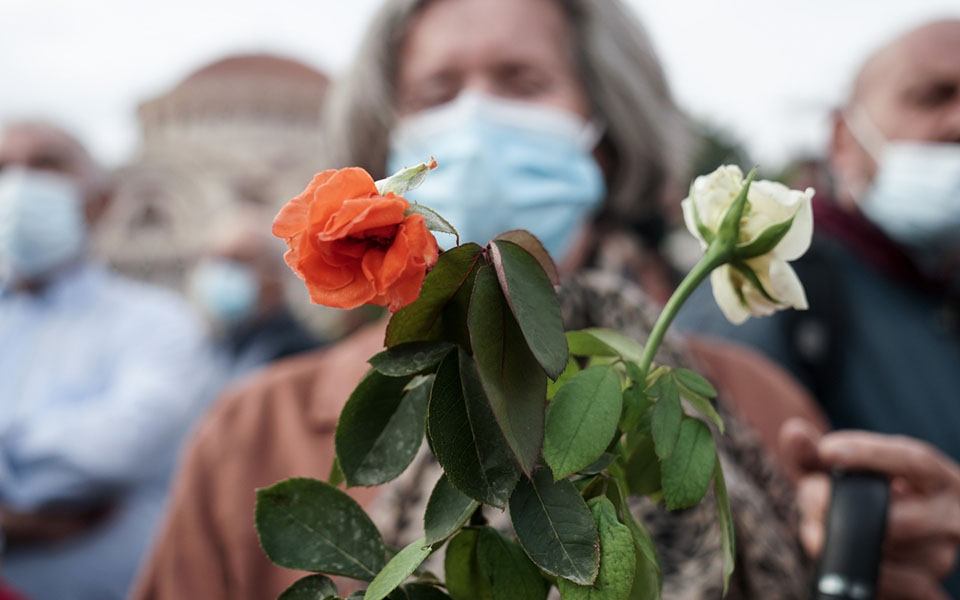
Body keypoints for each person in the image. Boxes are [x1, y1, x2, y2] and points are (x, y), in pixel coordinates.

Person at [132, 2, 958, 599]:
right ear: (386, 141)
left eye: (522, 81)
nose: (477, 115)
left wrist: (881, 563)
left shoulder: (750, 402)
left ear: (607, 128)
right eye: (435, 92)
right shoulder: (251, 433)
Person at [677, 19, 960, 596]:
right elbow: (712, 511)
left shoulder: (939, 290)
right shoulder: (772, 290)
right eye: (933, 95)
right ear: (842, 138)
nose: (958, 121)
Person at [0, 121, 214, 600]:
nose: (18, 184)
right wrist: (21, 517)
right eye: (2, 168)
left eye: (46, 163)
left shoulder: (161, 323)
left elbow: (116, 448)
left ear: (103, 201)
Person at [187, 210, 323, 382]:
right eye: (217, 262)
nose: (222, 274)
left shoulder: (302, 354)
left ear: (274, 273)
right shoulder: (223, 346)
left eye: (237, 262)